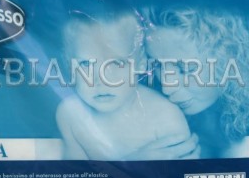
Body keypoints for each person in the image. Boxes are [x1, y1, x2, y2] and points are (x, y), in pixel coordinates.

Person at [56, 12, 193, 161]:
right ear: (68, 65)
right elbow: (75, 173)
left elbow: (182, 173)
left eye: (117, 63)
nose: (102, 79)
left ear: (141, 63)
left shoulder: (165, 117)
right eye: (86, 64)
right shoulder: (69, 113)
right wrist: (130, 164)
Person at [144, 6, 249, 158]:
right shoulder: (147, 112)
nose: (167, 87)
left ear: (226, 60)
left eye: (185, 69)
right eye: (157, 65)